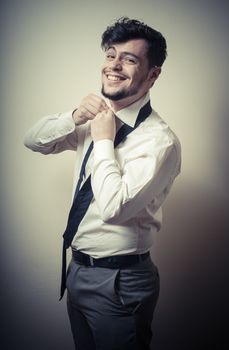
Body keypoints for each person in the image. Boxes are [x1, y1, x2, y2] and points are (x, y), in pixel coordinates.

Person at [24, 17, 181, 350]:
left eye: (130, 58)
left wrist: (104, 142)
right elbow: (33, 141)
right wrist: (75, 117)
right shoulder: (95, 118)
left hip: (120, 282)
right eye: (111, 55)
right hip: (78, 270)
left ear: (153, 74)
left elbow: (112, 209)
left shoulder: (160, 142)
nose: (115, 65)